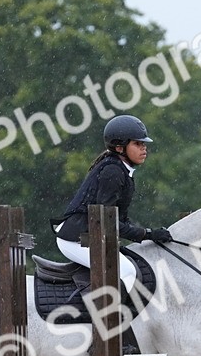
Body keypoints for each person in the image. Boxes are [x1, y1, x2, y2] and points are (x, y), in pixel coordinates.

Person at [50, 114, 171, 297]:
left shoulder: (121, 170)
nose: (144, 148)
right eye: (137, 144)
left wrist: (147, 234)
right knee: (127, 272)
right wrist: (147, 234)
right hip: (74, 239)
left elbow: (119, 219)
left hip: (89, 235)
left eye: (144, 144)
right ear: (120, 147)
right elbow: (106, 222)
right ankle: (112, 322)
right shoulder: (113, 171)